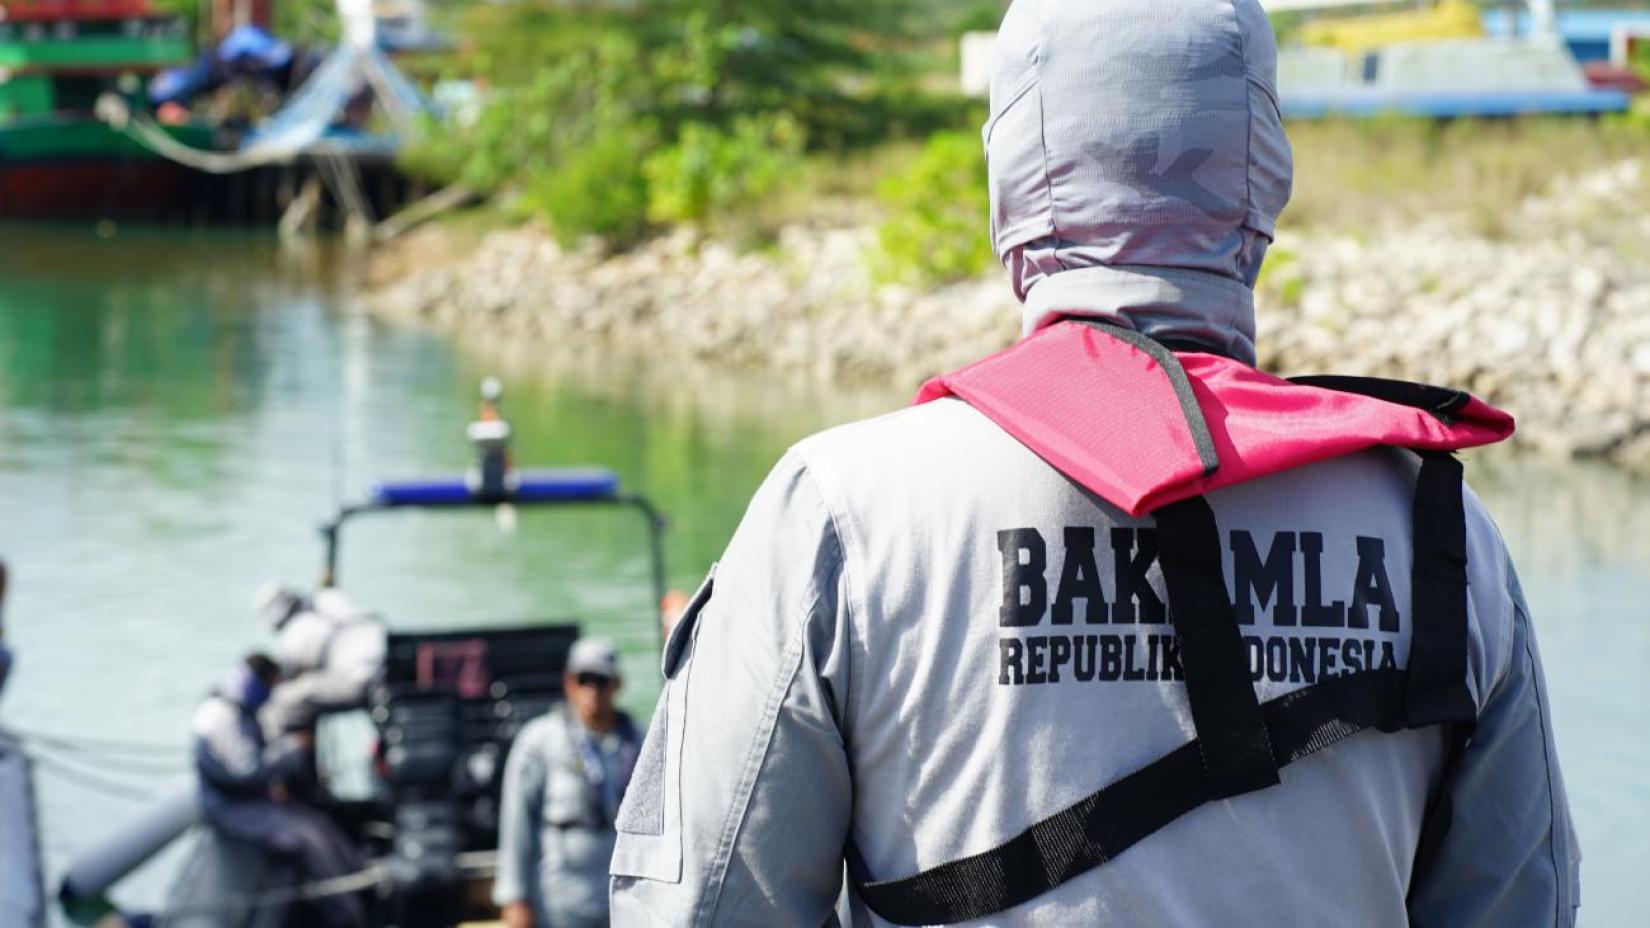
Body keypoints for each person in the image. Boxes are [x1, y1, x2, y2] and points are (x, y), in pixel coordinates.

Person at [609, 1, 1580, 925]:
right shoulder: (1440, 532)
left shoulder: (843, 516)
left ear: (1012, 180)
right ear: (1265, 170)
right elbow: (1521, 901)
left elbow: (697, 905)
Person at [191, 653, 365, 928]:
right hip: (232, 811)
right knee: (309, 840)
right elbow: (247, 771)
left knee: (318, 822)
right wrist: (290, 750)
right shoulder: (218, 718)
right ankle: (348, 917)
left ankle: (361, 880)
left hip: (255, 800)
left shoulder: (241, 710)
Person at [495, 638, 641, 928]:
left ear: (617, 684)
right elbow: (516, 822)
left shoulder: (641, 742)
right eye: (582, 679)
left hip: (625, 902)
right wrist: (514, 898)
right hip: (559, 903)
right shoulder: (538, 741)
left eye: (600, 680)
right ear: (568, 683)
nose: (591, 690)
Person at [254, 583, 387, 740]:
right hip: (384, 667)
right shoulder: (327, 598)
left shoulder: (296, 632)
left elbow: (286, 675)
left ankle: (283, 757)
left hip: (361, 680)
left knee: (281, 701)